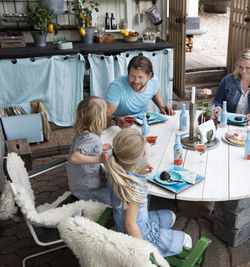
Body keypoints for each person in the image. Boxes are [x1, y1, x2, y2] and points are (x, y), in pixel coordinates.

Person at [106, 128, 192, 257]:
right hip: (137, 233)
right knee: (187, 240)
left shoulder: (114, 172)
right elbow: (130, 224)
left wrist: (138, 172)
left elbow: (128, 171)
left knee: (170, 215)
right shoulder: (135, 187)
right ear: (143, 154)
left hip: (123, 225)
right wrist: (143, 251)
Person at [105, 55, 175, 128]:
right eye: (132, 76)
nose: (136, 81)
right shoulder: (117, 87)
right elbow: (106, 114)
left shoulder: (153, 81)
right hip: (120, 126)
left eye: (140, 77)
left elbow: (155, 91)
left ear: (149, 76)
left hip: (143, 123)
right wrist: (116, 120)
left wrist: (161, 106)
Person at [66, 96, 112, 206]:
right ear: (99, 118)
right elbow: (75, 157)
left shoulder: (83, 133)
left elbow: (84, 147)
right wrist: (99, 159)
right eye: (105, 113)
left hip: (77, 184)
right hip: (87, 190)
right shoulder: (92, 138)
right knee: (116, 201)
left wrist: (100, 147)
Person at [213, 48, 250, 126]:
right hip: (229, 124)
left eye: (247, 68)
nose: (243, 71)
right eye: (240, 67)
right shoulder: (227, 80)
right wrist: (218, 107)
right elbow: (217, 101)